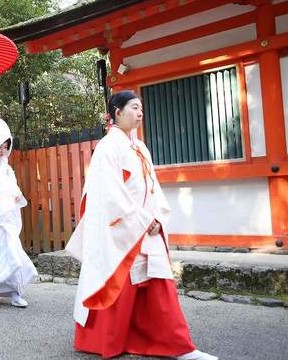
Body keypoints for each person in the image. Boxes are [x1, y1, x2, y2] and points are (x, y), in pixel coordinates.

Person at [65, 91, 218, 360]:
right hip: (124, 228)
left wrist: (156, 217)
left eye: (141, 109)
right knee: (119, 284)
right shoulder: (107, 148)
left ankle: (179, 346)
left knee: (158, 285)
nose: (140, 113)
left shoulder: (140, 148)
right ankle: (109, 341)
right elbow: (108, 193)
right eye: (134, 108)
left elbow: (153, 188)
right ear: (116, 112)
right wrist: (141, 220)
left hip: (147, 224)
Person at [0, 117, 37, 307]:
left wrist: (17, 195)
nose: (2, 151)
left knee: (13, 254)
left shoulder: (6, 166)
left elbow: (13, 185)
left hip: (8, 215)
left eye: (5, 147)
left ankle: (15, 291)